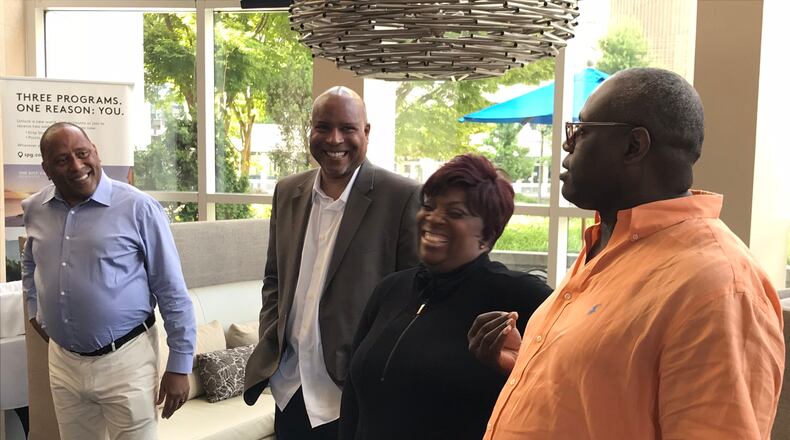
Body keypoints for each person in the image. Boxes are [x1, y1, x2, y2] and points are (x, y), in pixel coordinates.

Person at [469, 67, 785, 439]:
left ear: (634, 146)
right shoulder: (610, 245)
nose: (567, 146)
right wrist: (529, 365)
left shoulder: (718, 286)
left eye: (581, 131)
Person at [243, 86, 421, 440]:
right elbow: (274, 278)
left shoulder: (401, 197)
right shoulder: (287, 192)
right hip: (290, 389)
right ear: (310, 130)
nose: (334, 139)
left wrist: (379, 367)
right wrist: (272, 334)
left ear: (366, 132)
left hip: (352, 392)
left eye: (347, 128)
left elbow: (412, 297)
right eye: (323, 127)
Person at [338, 154, 552, 440]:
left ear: (487, 236)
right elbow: (353, 400)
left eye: (455, 213)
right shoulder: (390, 290)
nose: (434, 218)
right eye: (428, 205)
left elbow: (556, 398)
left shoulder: (521, 298)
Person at [21, 122, 196, 439]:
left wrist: (180, 366)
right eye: (62, 160)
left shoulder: (138, 207)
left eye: (82, 153)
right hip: (63, 362)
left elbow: (172, 291)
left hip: (126, 360)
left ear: (95, 153)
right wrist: (36, 310)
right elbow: (30, 261)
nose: (76, 166)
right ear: (47, 169)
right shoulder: (35, 208)